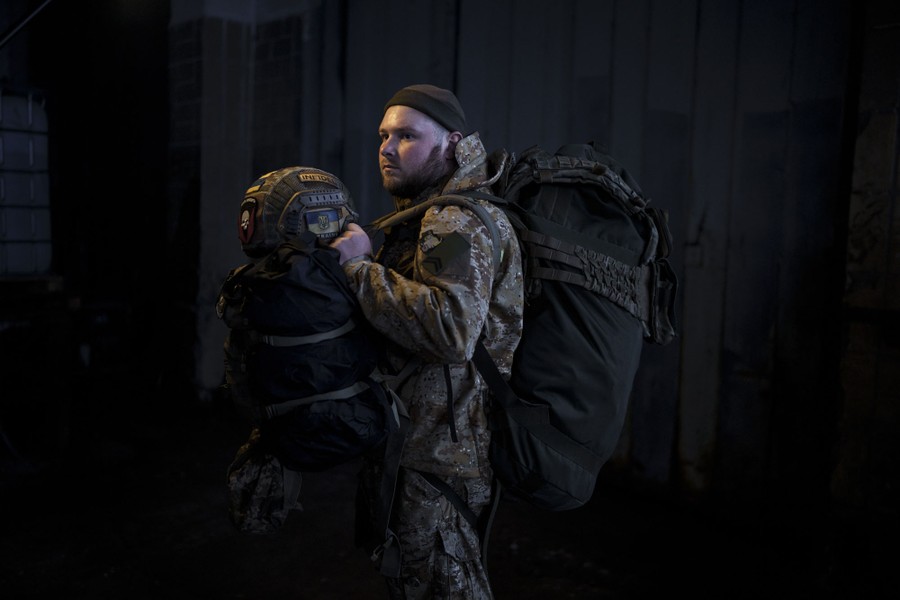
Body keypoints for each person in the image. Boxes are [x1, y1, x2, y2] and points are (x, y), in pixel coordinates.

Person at [330, 84, 524, 598]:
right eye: (384, 135)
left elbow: (451, 329)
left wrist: (357, 269)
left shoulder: (453, 219)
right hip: (425, 450)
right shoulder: (427, 215)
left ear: (453, 143)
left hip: (439, 461)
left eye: (408, 136)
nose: (388, 148)